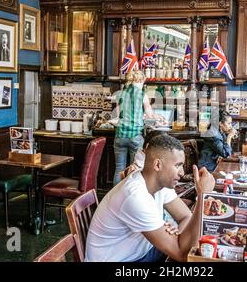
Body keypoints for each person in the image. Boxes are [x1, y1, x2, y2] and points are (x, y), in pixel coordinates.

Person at [85, 134, 215, 262]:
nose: (181, 173)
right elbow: (182, 254)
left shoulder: (159, 183)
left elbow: (186, 217)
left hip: (142, 251)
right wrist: (202, 196)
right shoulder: (136, 196)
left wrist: (178, 238)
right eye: (177, 165)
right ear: (158, 165)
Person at [113, 70, 162, 185]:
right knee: (134, 169)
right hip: (135, 136)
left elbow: (118, 114)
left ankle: (115, 196)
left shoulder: (120, 94)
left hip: (120, 135)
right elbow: (150, 114)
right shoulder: (142, 94)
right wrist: (157, 116)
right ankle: (130, 195)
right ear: (140, 80)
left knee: (119, 168)